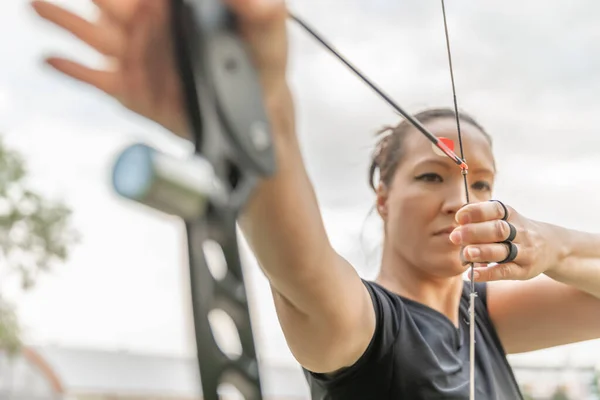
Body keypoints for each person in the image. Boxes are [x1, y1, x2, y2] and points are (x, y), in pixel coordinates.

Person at [30, 0, 600, 398]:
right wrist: (253, 109)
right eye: (431, 176)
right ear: (383, 198)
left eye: (480, 183)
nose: (460, 200)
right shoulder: (366, 327)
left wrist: (554, 247)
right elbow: (299, 268)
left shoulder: (485, 320)